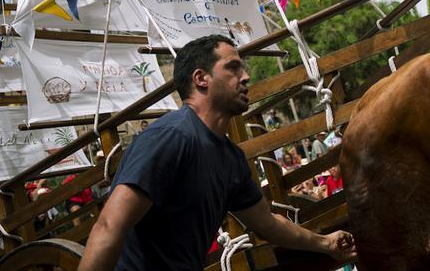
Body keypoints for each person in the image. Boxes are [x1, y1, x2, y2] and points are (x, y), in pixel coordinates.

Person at [79, 34, 356, 271]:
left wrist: (325, 243)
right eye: (233, 68)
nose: (246, 76)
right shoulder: (169, 138)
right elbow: (109, 227)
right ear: (201, 78)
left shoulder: (231, 159)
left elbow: (267, 223)